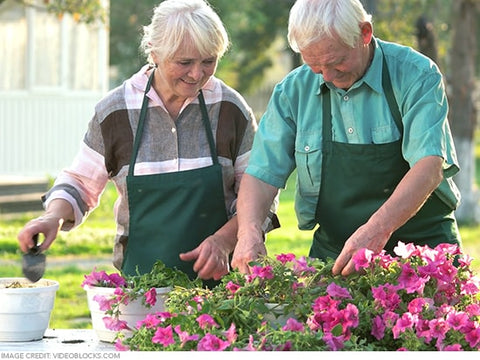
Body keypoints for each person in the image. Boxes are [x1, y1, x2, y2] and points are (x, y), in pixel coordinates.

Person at [18, 0, 277, 284]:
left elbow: (259, 194)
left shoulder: (230, 109)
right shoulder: (116, 110)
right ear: (154, 51)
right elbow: (80, 182)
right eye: (185, 62)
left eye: (208, 61)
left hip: (221, 294)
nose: (197, 74)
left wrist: (224, 241)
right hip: (141, 292)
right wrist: (52, 217)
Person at [231, 0, 462, 277]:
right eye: (315, 66)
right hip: (337, 257)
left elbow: (429, 166)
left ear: (364, 33)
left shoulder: (416, 75)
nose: (327, 76)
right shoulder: (293, 91)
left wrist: (378, 229)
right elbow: (261, 174)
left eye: (337, 62)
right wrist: (249, 231)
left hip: (422, 253)